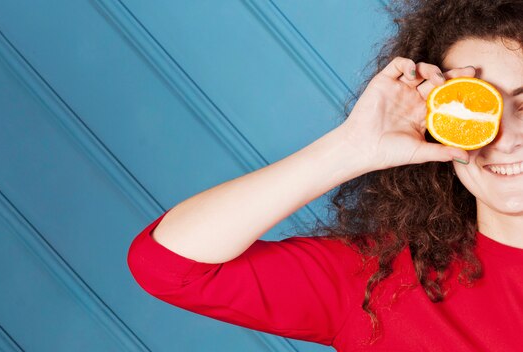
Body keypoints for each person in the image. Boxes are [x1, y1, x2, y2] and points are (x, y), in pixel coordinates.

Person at [127, 0, 523, 350]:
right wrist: (352, 148)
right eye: (471, 110)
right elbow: (169, 265)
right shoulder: (379, 283)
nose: (505, 140)